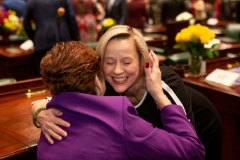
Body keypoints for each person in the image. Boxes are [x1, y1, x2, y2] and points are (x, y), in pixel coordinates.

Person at [32, 25, 221, 159]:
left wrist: (157, 94)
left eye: (127, 62)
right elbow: (57, 98)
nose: (117, 71)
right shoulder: (101, 85)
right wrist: (40, 113)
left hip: (202, 132)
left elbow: (190, 146)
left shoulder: (163, 83)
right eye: (109, 62)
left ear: (142, 62)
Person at [23, 0, 80, 77]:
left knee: (43, 76)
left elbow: (26, 22)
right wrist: (76, 39)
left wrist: (35, 38)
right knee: (66, 75)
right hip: (63, 40)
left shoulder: (32, 1)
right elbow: (71, 18)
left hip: (41, 41)